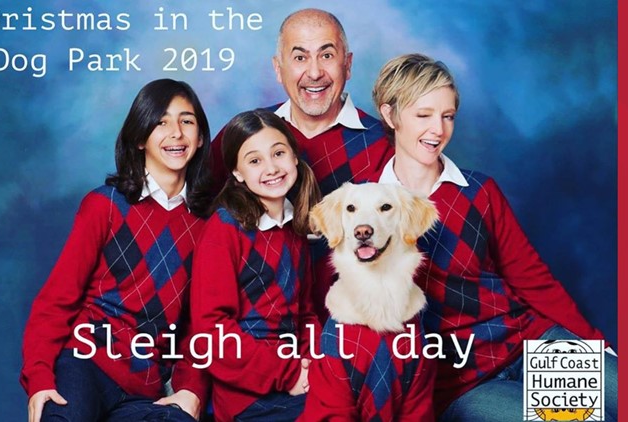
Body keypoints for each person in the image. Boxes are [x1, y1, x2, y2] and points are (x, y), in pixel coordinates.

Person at [371, 53, 618, 421]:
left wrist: (595, 345)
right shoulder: (368, 207)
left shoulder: (479, 190)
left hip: (529, 343)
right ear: (390, 116)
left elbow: (532, 279)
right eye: (423, 115)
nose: (438, 130)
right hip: (464, 385)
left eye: (447, 116)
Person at [20, 79, 213, 422]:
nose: (176, 133)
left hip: (146, 387)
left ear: (199, 139)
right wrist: (38, 379)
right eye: (161, 122)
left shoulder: (209, 227)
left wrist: (191, 390)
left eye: (187, 121)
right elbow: (56, 300)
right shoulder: (103, 206)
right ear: (140, 138)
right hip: (85, 364)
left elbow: (199, 325)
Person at [210, 8, 394, 324]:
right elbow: (198, 216)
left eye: (326, 55)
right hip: (259, 331)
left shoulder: (385, 144)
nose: (314, 72)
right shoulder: (245, 138)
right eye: (299, 58)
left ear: (347, 64)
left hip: (354, 329)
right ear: (278, 69)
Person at [190, 109, 322, 421]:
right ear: (237, 173)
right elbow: (212, 334)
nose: (272, 168)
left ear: (293, 157)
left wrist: (315, 364)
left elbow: (304, 315)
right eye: (254, 160)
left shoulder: (295, 228)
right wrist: (289, 374)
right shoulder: (224, 229)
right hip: (248, 396)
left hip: (296, 377)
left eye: (278, 153)